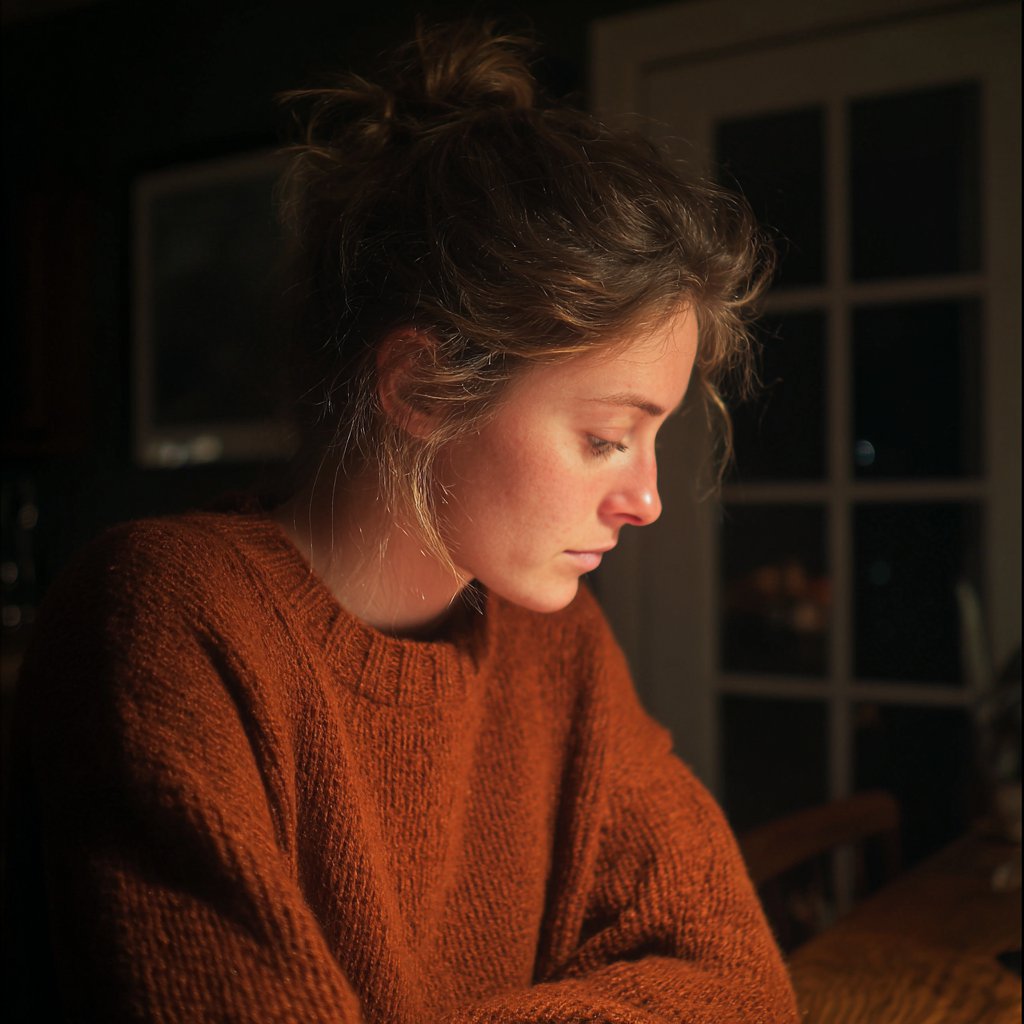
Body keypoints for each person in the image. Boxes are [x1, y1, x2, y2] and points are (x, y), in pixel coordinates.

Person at [7, 22, 799, 1023]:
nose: (643, 499)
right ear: (422, 386)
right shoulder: (168, 619)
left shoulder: (561, 650)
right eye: (606, 436)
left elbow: (741, 984)